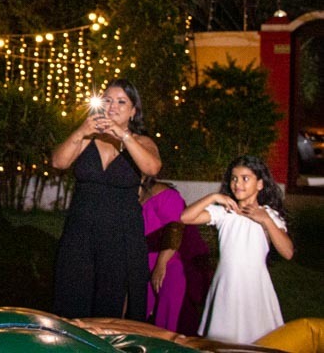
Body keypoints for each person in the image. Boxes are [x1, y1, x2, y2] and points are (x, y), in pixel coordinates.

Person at [51, 78, 161, 320]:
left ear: (133, 111)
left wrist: (124, 136)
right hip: (82, 232)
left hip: (121, 234)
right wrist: (81, 131)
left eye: (122, 102)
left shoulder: (141, 142)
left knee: (110, 303)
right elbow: (58, 162)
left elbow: (152, 168)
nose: (113, 106)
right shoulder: (87, 138)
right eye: (108, 100)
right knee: (73, 298)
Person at [180, 155, 294, 344]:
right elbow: (185, 217)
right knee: (223, 340)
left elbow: (288, 252)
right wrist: (213, 197)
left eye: (245, 178)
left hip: (254, 286)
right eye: (234, 178)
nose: (237, 183)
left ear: (260, 184)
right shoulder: (225, 212)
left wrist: (265, 220)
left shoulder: (269, 215)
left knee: (256, 339)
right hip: (226, 285)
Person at [140, 176, 211, 335]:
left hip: (169, 265)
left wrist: (161, 264)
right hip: (139, 266)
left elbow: (175, 228)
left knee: (169, 321)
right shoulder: (123, 195)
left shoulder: (164, 194)